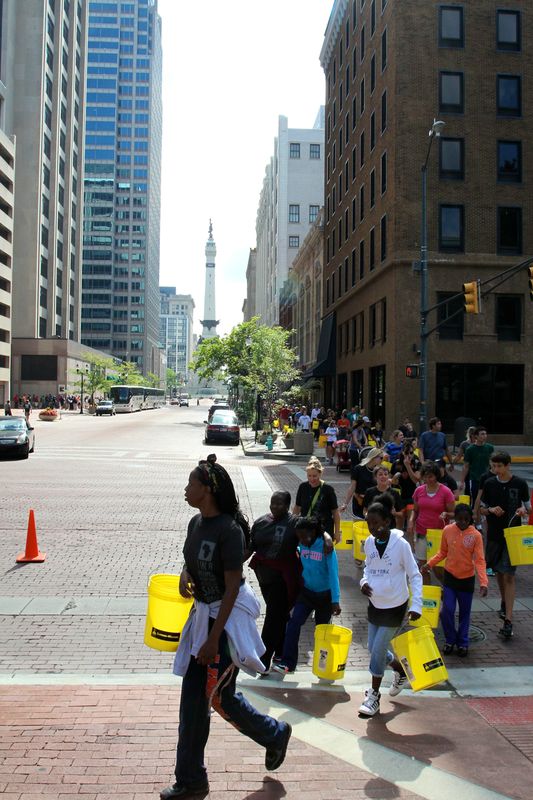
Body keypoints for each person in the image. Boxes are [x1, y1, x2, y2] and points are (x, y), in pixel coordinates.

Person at [162, 462, 291, 799]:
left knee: (197, 701)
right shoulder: (195, 523)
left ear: (207, 489)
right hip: (203, 618)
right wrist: (184, 575)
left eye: (190, 483)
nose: (186, 489)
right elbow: (191, 561)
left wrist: (214, 639)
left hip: (225, 625)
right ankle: (274, 734)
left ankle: (192, 780)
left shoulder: (229, 531)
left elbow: (232, 588)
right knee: (220, 698)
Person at [359, 494, 423, 716]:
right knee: (373, 648)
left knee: (377, 650)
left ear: (387, 522)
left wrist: (417, 605)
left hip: (396, 605)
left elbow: (415, 575)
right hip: (375, 604)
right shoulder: (369, 543)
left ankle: (374, 696)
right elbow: (367, 568)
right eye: (368, 523)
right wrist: (364, 581)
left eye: (376, 523)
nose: (372, 528)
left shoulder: (401, 545)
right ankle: (400, 670)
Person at [272, 515, 341, 674]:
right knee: (293, 624)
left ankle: (325, 667)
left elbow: (333, 574)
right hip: (307, 593)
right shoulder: (301, 544)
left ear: (314, 532)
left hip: (325, 596)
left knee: (322, 633)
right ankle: (288, 663)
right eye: (299, 537)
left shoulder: (326, 547)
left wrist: (335, 600)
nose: (302, 539)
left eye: (305, 536)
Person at [421, 504, 488, 656]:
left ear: (471, 519)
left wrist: (484, 582)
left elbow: (479, 560)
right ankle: (450, 640)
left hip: (467, 580)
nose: (463, 522)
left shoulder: (476, 535)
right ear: (455, 518)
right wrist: (429, 563)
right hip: (450, 578)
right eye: (459, 519)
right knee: (447, 611)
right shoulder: (448, 530)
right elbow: (442, 552)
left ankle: (463, 643)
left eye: (466, 519)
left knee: (465, 613)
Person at [247, 491, 301, 671]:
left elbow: (315, 531)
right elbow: (250, 546)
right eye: (272, 503)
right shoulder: (261, 522)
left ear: (287, 506)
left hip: (283, 578)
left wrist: (326, 539)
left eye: (280, 504)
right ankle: (281, 652)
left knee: (273, 617)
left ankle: (263, 659)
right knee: (280, 616)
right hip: (264, 576)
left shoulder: (294, 522)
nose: (275, 507)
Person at [480, 451, 530, 640]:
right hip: (494, 535)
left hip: (512, 535)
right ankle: (504, 602)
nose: (496, 470)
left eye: (499, 466)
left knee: (509, 575)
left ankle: (508, 619)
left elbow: (528, 507)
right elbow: (482, 509)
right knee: (500, 573)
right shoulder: (490, 483)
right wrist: (491, 509)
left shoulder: (519, 484)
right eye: (494, 466)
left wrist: (522, 510)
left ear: (508, 465)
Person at [407, 462, 456, 582]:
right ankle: (426, 596)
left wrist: (446, 514)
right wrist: (411, 520)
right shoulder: (419, 491)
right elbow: (415, 510)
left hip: (438, 535)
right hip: (421, 532)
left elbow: (454, 513)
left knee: (438, 569)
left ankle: (447, 588)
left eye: (431, 476)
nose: (427, 479)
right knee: (423, 567)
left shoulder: (446, 492)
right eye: (425, 476)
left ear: (436, 476)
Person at [293, 456, 341, 542]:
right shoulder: (303, 487)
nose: (312, 479)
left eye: (314, 476)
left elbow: (335, 512)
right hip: (306, 529)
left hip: (324, 530)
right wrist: (292, 525)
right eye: (309, 476)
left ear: (320, 473)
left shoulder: (328, 489)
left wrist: (337, 532)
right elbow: (297, 507)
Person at [340, 447, 384, 520]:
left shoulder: (378, 471)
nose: (382, 460)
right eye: (381, 458)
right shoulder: (358, 468)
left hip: (373, 502)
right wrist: (345, 503)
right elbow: (352, 487)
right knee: (359, 523)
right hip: (359, 501)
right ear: (374, 457)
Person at [461, 427, 494, 503]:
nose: (484, 436)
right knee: (475, 499)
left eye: (485, 434)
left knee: (488, 500)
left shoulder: (490, 447)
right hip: (474, 478)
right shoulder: (470, 449)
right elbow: (466, 466)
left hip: (487, 478)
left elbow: (492, 463)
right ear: (476, 436)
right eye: (482, 434)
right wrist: (462, 481)